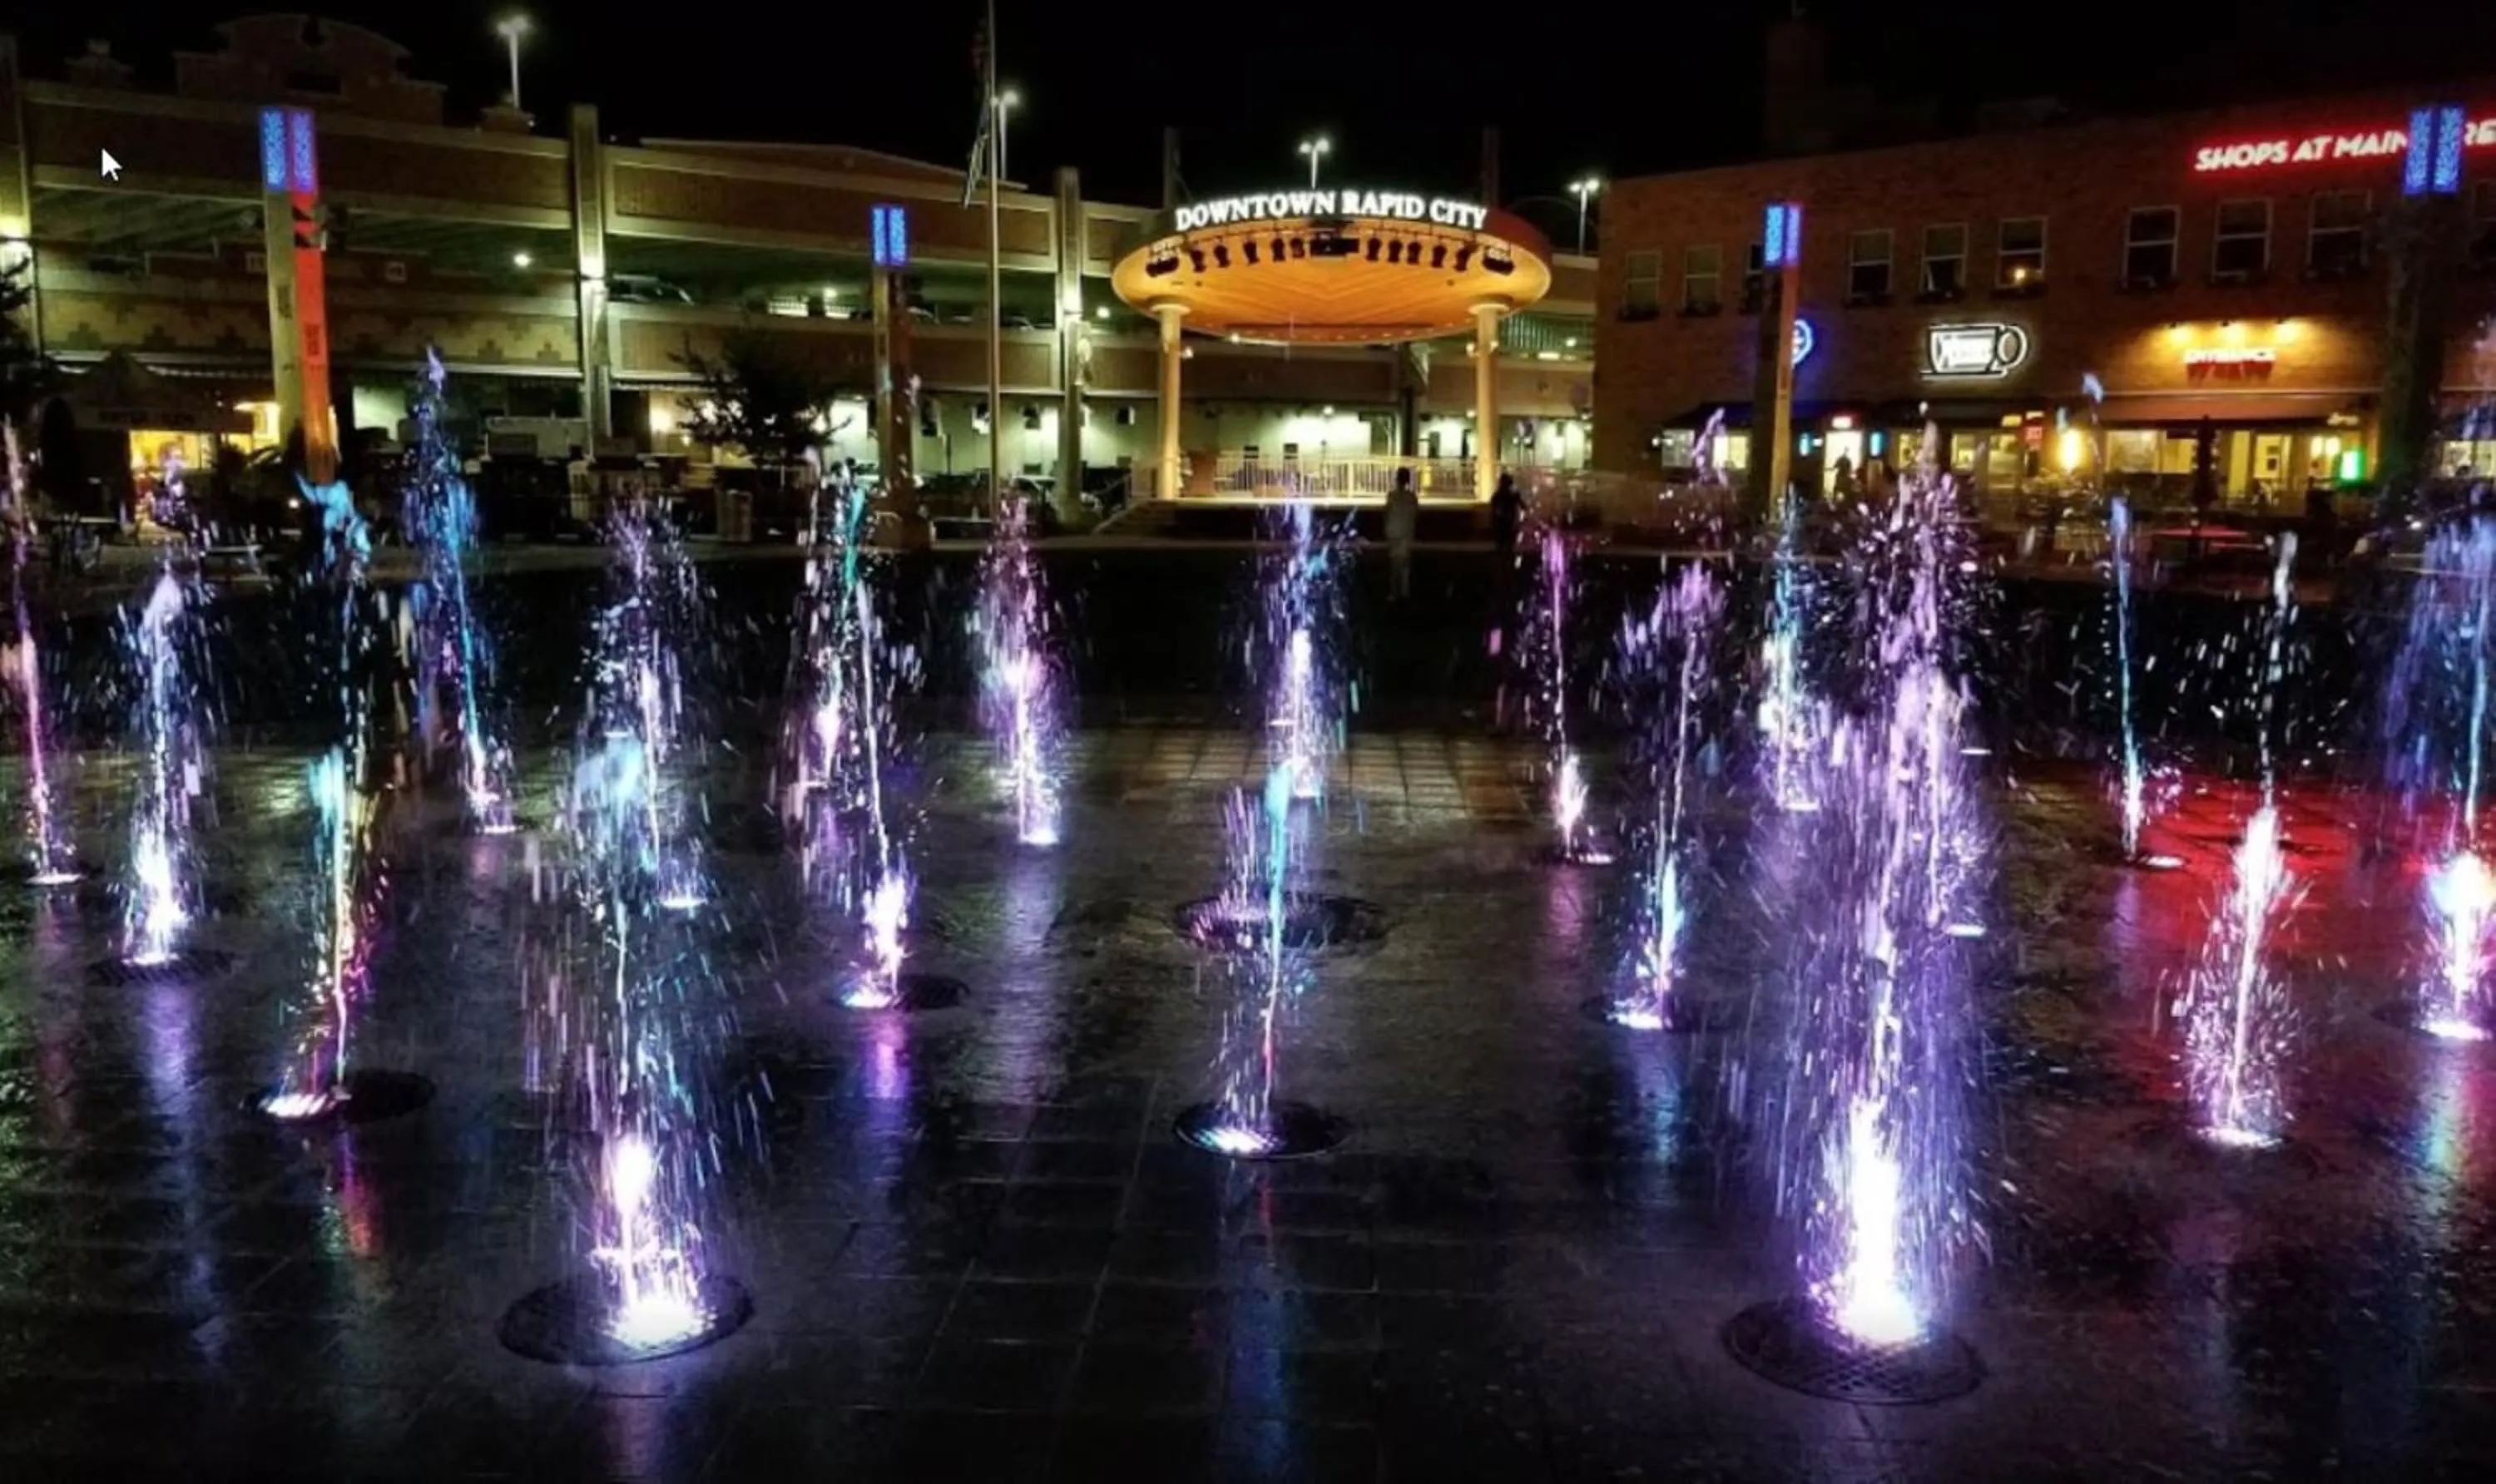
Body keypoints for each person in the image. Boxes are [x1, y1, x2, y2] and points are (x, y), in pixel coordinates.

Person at [1384, 467, 1419, 601]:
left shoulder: (1392, 496)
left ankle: (1394, 592)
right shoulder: (1412, 497)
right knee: (1405, 563)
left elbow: (1386, 513)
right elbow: (1415, 514)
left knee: (1394, 564)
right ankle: (1404, 592)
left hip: (1393, 531)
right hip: (1406, 532)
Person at [1488, 472, 1524, 563]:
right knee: (1505, 549)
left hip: (1506, 525)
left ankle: (1503, 564)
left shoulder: (1502, 496)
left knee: (1504, 549)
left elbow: (1522, 505)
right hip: (1504, 525)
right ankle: (1504, 565)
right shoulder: (1502, 496)